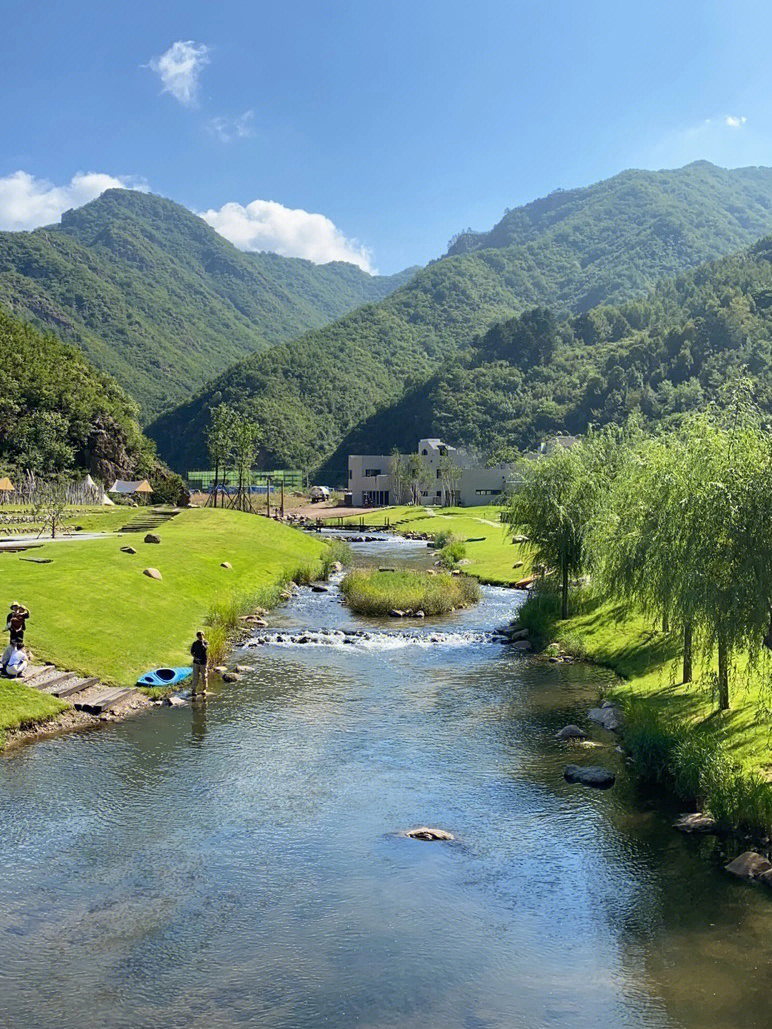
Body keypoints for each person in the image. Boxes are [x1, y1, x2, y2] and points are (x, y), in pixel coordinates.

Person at [190, 630, 208, 697]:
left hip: (203, 662)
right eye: (199, 635)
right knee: (195, 676)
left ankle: (204, 689)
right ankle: (194, 690)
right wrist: (195, 658)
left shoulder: (206, 642)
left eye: (201, 635)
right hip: (196, 662)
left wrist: (203, 643)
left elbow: (205, 649)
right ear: (197, 636)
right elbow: (192, 652)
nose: (200, 636)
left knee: (204, 676)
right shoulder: (195, 643)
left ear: (203, 635)